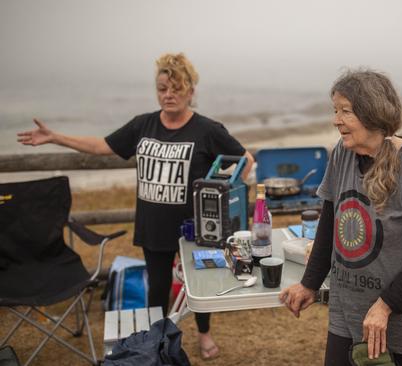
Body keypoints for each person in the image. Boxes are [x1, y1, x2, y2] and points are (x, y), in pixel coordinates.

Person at [17, 52, 255, 360]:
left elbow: (245, 161)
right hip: (153, 225)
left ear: (190, 92)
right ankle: (159, 342)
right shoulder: (143, 125)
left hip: (195, 227)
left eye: (176, 88)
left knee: (198, 287)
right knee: (157, 287)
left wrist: (224, 196)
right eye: (162, 88)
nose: (168, 95)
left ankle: (204, 333)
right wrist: (55, 138)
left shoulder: (207, 130)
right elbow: (103, 146)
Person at [280, 70, 402, 366]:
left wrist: (385, 306)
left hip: (396, 320)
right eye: (335, 111)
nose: (336, 120)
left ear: (373, 113)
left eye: (346, 111)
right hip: (346, 313)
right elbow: (329, 226)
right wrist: (309, 284)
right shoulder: (341, 155)